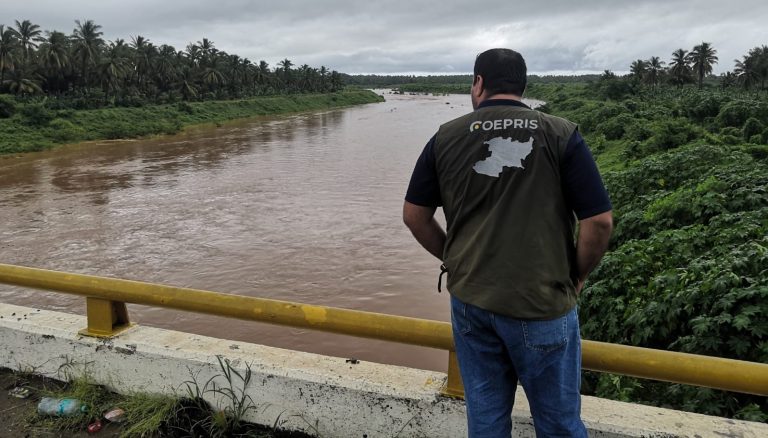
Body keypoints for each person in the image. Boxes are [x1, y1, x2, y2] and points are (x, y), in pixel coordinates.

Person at [402, 48, 613, 437]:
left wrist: (455, 257)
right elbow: (598, 223)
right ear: (523, 85)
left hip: (472, 303)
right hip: (542, 303)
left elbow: (415, 216)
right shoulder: (561, 133)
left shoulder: (445, 137)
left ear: (479, 83)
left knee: (485, 419)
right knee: (559, 423)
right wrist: (577, 275)